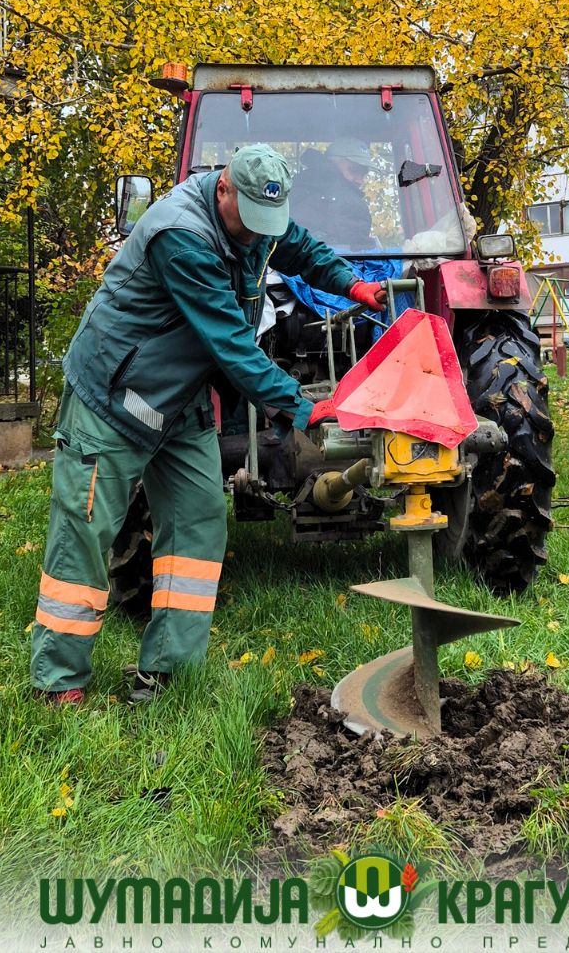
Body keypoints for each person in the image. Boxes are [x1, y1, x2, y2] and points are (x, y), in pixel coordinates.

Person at [30, 143, 387, 708]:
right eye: (249, 223)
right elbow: (230, 345)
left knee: (199, 520)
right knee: (87, 528)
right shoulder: (181, 234)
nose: (256, 235)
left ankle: (169, 672)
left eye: (266, 222)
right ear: (224, 189)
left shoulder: (258, 217)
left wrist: (349, 283)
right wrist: (300, 406)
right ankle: (58, 680)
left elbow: (298, 246)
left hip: (181, 399)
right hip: (116, 394)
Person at [290, 137, 374, 251]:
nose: (360, 180)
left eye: (363, 174)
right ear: (332, 162)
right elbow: (358, 253)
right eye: (354, 170)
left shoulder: (294, 188)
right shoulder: (349, 199)